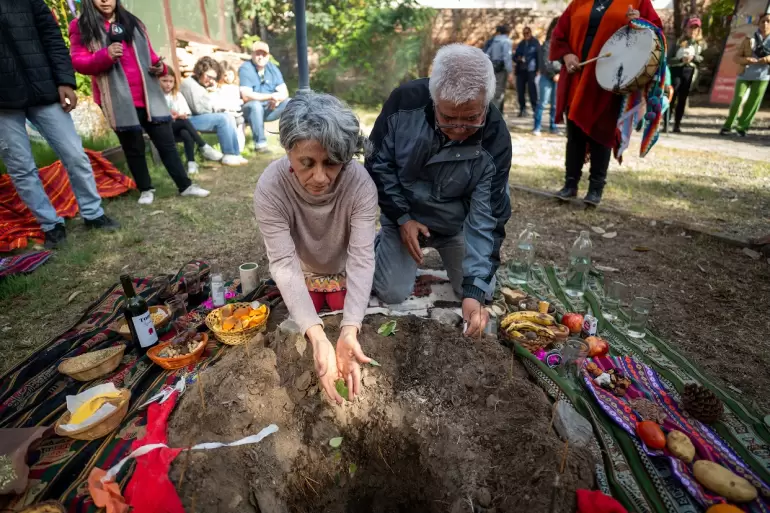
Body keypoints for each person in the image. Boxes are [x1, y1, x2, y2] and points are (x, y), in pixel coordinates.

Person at [366, 44, 512, 338]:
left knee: (477, 290)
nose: (459, 129)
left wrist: (473, 294)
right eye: (448, 118)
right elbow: (377, 164)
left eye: (471, 118)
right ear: (433, 99)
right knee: (392, 292)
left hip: (455, 226)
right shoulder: (403, 103)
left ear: (486, 103)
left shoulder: (496, 139)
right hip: (405, 218)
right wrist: (402, 218)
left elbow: (487, 219)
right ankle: (381, 243)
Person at [254, 92, 377, 405]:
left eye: (332, 163)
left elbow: (362, 260)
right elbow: (283, 262)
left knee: (344, 307)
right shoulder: (271, 187)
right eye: (306, 163)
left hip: (341, 269)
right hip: (302, 270)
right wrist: (318, 336)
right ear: (288, 150)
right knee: (303, 319)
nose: (320, 177)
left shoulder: (360, 184)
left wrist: (349, 331)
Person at [0, 0, 119, 248]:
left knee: (75, 154)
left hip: (43, 88)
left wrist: (65, 80)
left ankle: (93, 213)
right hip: (3, 104)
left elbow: (52, 36)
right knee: (21, 167)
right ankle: (50, 225)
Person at [70, 0, 210, 206]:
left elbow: (150, 55)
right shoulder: (81, 26)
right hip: (118, 98)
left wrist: (160, 68)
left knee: (167, 143)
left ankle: (185, 186)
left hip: (149, 95)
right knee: (133, 147)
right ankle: (146, 188)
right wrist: (105, 55)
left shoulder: (133, 22)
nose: (104, 0)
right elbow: (78, 61)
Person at [550, 1, 662, 205]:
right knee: (574, 134)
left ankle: (596, 188)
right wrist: (567, 55)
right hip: (577, 78)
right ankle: (570, 184)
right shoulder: (579, 3)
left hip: (609, 80)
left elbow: (656, 32)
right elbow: (559, 34)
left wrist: (640, 22)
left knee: (602, 134)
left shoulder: (637, 1)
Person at [180, 57, 246, 167]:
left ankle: (235, 153)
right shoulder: (189, 84)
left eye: (213, 78)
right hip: (187, 120)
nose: (210, 81)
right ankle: (228, 154)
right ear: (200, 71)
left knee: (228, 116)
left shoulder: (202, 85)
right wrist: (217, 107)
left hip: (200, 117)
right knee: (223, 118)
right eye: (208, 76)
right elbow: (198, 109)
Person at [159, 66, 224, 174]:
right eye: (164, 81)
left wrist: (180, 115)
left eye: (171, 81)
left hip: (178, 126)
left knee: (186, 133)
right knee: (184, 123)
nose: (168, 84)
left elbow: (186, 112)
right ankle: (203, 146)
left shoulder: (177, 95)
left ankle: (191, 163)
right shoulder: (157, 96)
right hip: (164, 127)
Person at [720, 13, 770, 137]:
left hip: (763, 76)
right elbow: (736, 57)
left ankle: (742, 127)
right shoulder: (749, 38)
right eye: (763, 21)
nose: (765, 24)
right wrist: (747, 60)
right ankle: (728, 126)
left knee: (753, 103)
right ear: (758, 23)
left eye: (768, 21)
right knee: (738, 99)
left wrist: (768, 59)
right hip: (745, 74)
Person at [239, 41, 291, 152]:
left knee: (290, 102)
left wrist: (277, 99)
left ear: (268, 56)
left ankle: (289, 139)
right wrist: (270, 96)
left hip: (270, 108)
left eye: (264, 54)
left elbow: (284, 92)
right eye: (257, 54)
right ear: (252, 54)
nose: (260, 57)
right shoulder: (245, 68)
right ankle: (260, 144)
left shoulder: (273, 68)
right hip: (250, 110)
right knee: (255, 106)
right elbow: (246, 95)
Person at [669, 17, 707, 133]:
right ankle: (666, 121)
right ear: (686, 28)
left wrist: (693, 58)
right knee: (672, 94)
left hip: (689, 71)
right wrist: (680, 59)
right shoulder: (678, 42)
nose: (693, 30)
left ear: (699, 30)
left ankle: (677, 124)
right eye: (691, 27)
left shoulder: (701, 44)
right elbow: (669, 58)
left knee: (683, 98)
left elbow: (704, 59)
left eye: (695, 28)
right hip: (676, 70)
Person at [534, 17, 563, 135]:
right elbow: (546, 62)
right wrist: (553, 75)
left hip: (559, 77)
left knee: (555, 104)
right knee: (543, 103)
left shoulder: (562, 44)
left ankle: (553, 126)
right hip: (547, 77)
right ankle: (537, 127)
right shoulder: (547, 44)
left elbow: (564, 61)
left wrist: (561, 74)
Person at [217, 60, 247, 152]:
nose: (228, 78)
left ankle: (240, 148)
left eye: (230, 74)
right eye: (225, 75)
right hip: (227, 113)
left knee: (241, 124)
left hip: (237, 112)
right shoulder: (221, 88)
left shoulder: (236, 87)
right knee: (232, 125)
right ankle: (232, 148)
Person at [485, 25, 514, 113]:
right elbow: (507, 57)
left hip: (493, 68)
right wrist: (510, 72)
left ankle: (491, 112)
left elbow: (487, 53)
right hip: (501, 69)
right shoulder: (506, 41)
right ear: (507, 32)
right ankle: (495, 114)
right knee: (499, 93)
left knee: (493, 90)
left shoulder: (494, 41)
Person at [514, 27, 540, 117]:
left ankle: (535, 109)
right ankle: (522, 109)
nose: (526, 35)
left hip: (531, 70)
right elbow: (515, 55)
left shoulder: (535, 43)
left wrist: (538, 69)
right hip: (521, 70)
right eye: (524, 33)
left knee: (532, 91)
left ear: (530, 33)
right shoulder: (521, 43)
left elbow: (539, 56)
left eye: (527, 33)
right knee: (520, 91)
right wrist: (518, 58)